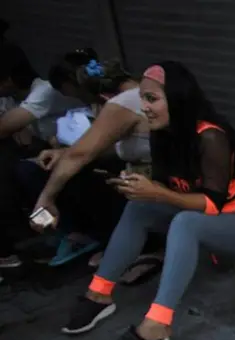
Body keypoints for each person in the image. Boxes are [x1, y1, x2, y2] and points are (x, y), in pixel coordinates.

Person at [62, 61, 235, 340]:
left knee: (186, 221)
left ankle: (156, 325)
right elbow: (168, 186)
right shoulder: (164, 132)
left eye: (152, 99)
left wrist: (159, 193)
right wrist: (141, 188)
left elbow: (212, 204)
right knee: (139, 206)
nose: (145, 108)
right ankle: (99, 294)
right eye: (143, 99)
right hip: (212, 223)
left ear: (177, 99)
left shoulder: (210, 136)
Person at [19, 48, 161, 271]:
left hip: (156, 187)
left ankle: (131, 242)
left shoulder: (124, 103)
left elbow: (82, 155)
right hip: (154, 178)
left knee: (76, 177)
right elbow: (107, 147)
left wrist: (46, 199)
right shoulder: (136, 90)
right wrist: (65, 153)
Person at [0, 42, 82, 268]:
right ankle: (50, 230)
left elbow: (4, 127)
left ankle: (69, 232)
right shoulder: (10, 98)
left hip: (77, 151)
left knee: (23, 172)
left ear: (8, 80)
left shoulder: (43, 91)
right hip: (52, 151)